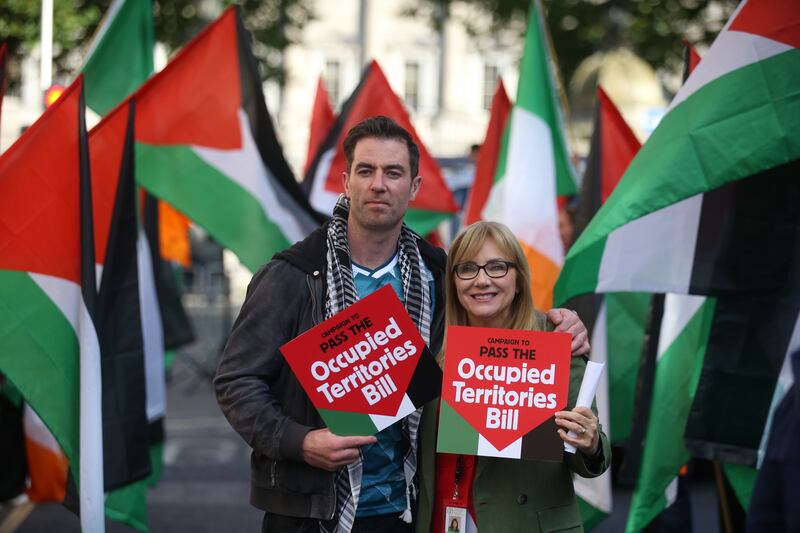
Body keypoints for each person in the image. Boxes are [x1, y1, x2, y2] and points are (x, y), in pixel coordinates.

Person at [214, 116, 589, 533]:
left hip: (409, 509)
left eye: (393, 172)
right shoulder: (294, 275)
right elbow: (236, 382)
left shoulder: (439, 275)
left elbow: (497, 327)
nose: (379, 184)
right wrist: (299, 442)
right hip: (309, 513)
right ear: (346, 182)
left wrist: (557, 326)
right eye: (366, 171)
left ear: (413, 187)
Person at [415, 221, 611, 533]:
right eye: (467, 269)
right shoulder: (432, 342)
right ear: (453, 282)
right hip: (440, 521)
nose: (481, 280)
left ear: (519, 279)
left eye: (497, 267)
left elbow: (592, 457)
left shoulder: (555, 338)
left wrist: (590, 445)